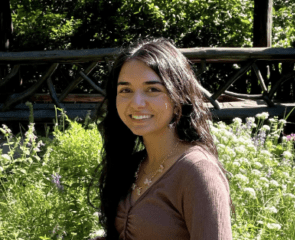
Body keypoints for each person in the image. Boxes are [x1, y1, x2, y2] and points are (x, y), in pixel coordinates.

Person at [90, 38, 235, 240]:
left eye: (152, 89)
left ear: (179, 99)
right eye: (125, 90)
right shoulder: (134, 164)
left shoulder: (198, 172)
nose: (137, 102)